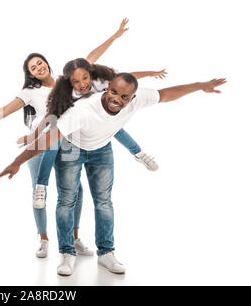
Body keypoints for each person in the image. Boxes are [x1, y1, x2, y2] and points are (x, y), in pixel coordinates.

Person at [0, 61, 226, 276]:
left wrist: (200, 86)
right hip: (71, 148)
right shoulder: (82, 110)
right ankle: (67, 253)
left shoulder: (137, 99)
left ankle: (106, 253)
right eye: (113, 92)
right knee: (67, 199)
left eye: (124, 96)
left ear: (132, 97)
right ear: (106, 89)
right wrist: (17, 161)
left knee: (104, 201)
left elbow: (166, 94)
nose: (117, 99)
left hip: (101, 150)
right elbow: (49, 139)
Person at [0, 18, 160, 259]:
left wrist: (115, 37)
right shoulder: (30, 92)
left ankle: (75, 239)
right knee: (40, 187)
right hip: (45, 139)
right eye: (33, 67)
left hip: (75, 137)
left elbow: (98, 62)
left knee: (77, 188)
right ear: (29, 74)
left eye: (40, 62)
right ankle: (43, 238)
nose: (38, 68)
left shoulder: (72, 80)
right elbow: (6, 110)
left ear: (47, 64)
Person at [17, 59, 166, 210]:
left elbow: (127, 77)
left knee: (115, 127)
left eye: (85, 78)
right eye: (75, 81)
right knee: (52, 142)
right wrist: (33, 136)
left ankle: (139, 154)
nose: (82, 85)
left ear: (90, 74)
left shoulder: (100, 82)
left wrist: (150, 73)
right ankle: (41, 187)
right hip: (72, 126)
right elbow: (50, 115)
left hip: (95, 121)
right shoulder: (65, 93)